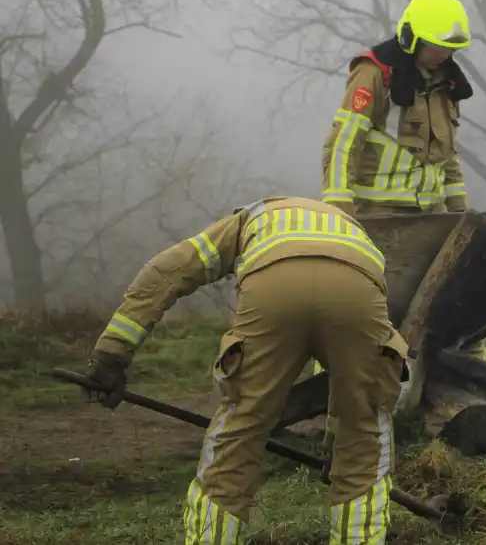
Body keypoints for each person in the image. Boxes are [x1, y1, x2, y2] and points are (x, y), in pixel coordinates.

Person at [83, 196, 409, 545]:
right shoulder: (351, 229)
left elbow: (167, 273)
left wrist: (112, 356)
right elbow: (339, 381)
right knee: (362, 429)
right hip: (357, 290)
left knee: (241, 428)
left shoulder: (249, 219)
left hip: (273, 289)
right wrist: (336, 443)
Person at [319, 0, 486, 365]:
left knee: (452, 307)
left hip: (430, 220)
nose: (445, 54)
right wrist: (338, 206)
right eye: (436, 45)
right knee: (357, 313)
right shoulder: (374, 75)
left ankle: (470, 379)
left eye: (451, 48)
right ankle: (333, 391)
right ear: (411, 37)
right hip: (376, 219)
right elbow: (342, 142)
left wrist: (460, 213)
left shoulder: (445, 83)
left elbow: (447, 158)